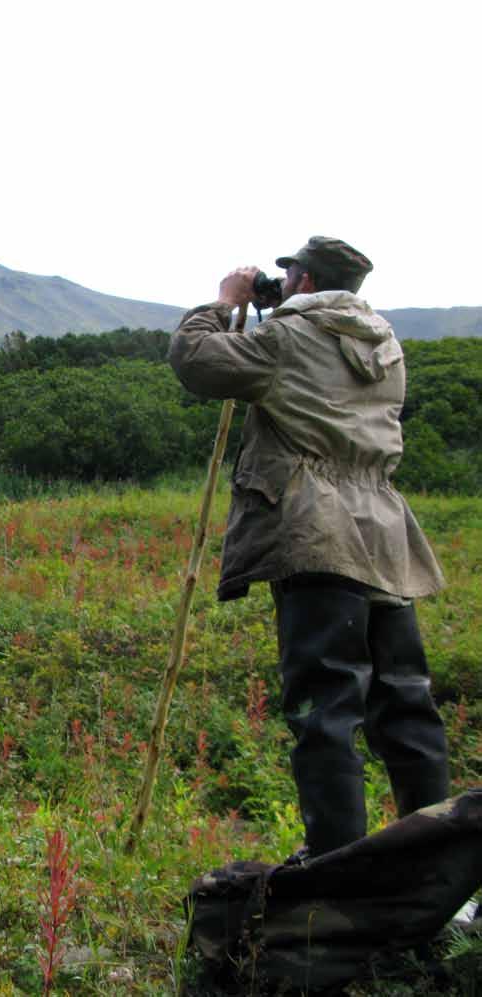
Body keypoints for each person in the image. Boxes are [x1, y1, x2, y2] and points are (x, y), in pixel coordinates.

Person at [168, 236, 450, 859]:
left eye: (288, 272)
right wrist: (280, 307)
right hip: (383, 534)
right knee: (405, 704)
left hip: (317, 531)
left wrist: (223, 302)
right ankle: (439, 864)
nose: (281, 279)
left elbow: (197, 361)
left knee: (325, 709)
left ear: (305, 279)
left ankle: (333, 863)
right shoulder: (383, 344)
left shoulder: (289, 339)